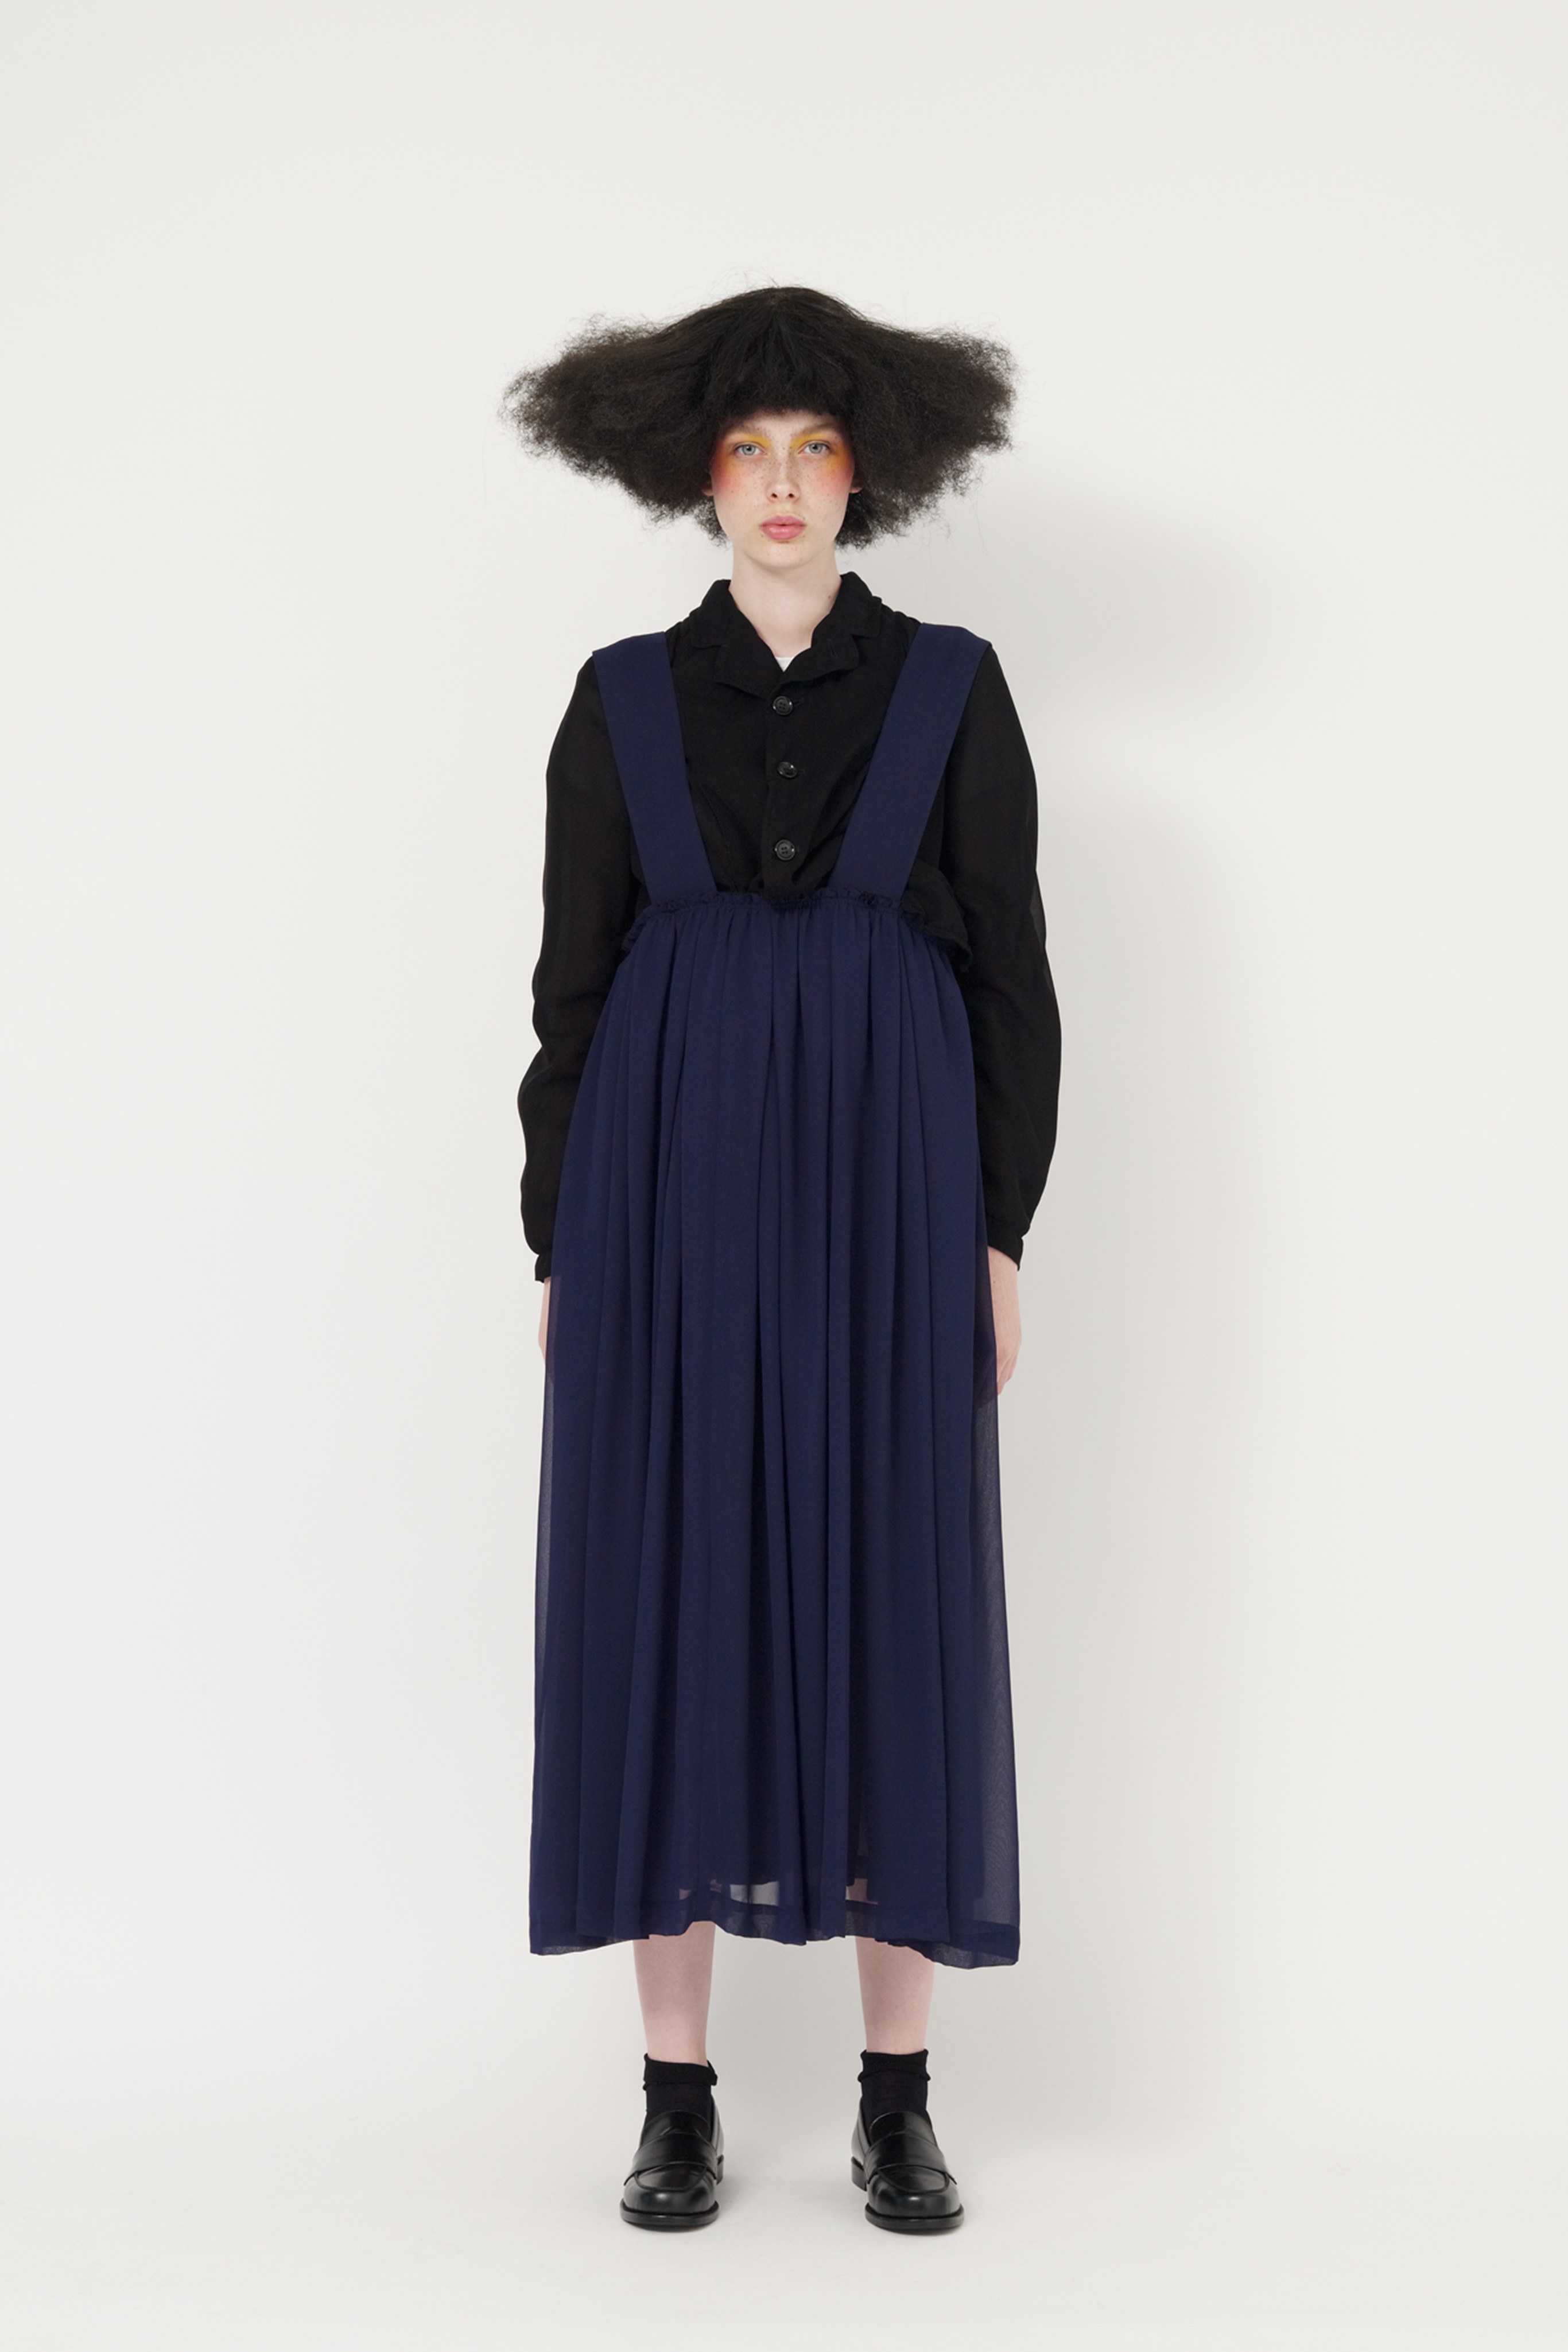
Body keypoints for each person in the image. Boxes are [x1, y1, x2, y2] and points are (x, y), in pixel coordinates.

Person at [504, 287, 1061, 2231]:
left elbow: (1010, 980)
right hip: (660, 1197)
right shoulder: (620, 699)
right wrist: (560, 1233)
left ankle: (897, 2099)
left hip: (893, 1194)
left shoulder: (953, 686)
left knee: (893, 1574)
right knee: (666, 1581)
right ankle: (677, 2097)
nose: (781, 486)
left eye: (815, 450)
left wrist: (995, 1228)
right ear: (697, 474)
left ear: (866, 473)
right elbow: (571, 992)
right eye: (747, 452)